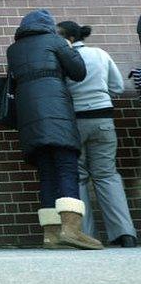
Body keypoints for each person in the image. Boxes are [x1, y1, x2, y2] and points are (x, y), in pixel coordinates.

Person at [6, 9, 101, 250]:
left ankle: (50, 234)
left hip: (29, 121)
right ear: (47, 26)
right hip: (56, 114)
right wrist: (67, 47)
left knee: (47, 174)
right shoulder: (55, 41)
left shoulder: (13, 50)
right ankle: (71, 230)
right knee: (67, 169)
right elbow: (79, 72)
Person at [57, 21, 137, 247]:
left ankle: (86, 235)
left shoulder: (63, 58)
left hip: (75, 122)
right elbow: (118, 87)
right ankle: (125, 233)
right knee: (107, 175)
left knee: (78, 177)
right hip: (104, 119)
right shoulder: (100, 54)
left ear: (67, 39)